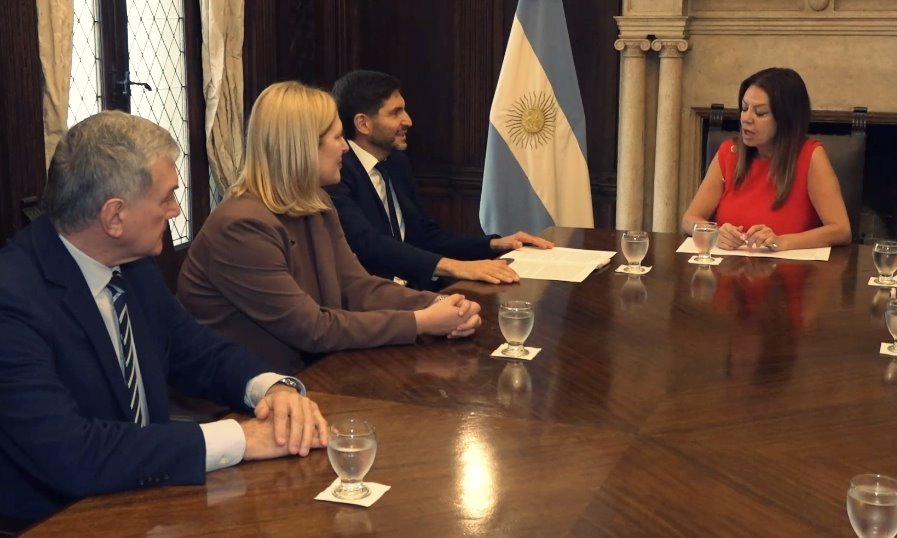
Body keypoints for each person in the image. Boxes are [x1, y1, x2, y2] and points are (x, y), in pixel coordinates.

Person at [0, 111, 328, 525]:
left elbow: (197, 352)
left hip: (151, 500)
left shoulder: (131, 266)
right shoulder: (13, 299)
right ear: (114, 216)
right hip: (63, 520)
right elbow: (70, 452)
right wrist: (240, 438)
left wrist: (271, 390)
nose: (176, 210)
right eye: (167, 197)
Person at [177, 81, 482, 373]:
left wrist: (445, 305)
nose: (346, 148)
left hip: (314, 374)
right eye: (337, 137)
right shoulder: (241, 226)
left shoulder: (316, 201)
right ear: (302, 147)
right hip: (243, 402)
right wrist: (422, 321)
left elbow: (356, 288)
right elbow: (313, 329)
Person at [325, 70, 554, 291]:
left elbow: (426, 236)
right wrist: (457, 268)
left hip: (417, 288)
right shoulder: (336, 172)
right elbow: (368, 244)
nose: (408, 121)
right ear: (363, 123)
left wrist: (494, 245)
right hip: (372, 298)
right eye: (395, 113)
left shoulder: (396, 164)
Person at [681, 67, 851, 251]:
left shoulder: (810, 156)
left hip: (791, 274)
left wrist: (782, 241)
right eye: (744, 108)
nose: (746, 118)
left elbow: (841, 230)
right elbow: (689, 219)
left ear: (786, 119)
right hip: (729, 272)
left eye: (760, 113)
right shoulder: (729, 152)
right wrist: (714, 232)